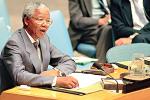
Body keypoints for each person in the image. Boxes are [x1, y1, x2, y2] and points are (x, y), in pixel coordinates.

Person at [1, 2, 79, 89]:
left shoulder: (44, 39)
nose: (45, 24)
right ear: (27, 20)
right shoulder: (14, 44)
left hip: (38, 90)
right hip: (13, 93)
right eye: (40, 19)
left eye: (48, 21)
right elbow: (19, 76)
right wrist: (55, 80)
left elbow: (68, 61)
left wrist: (56, 72)